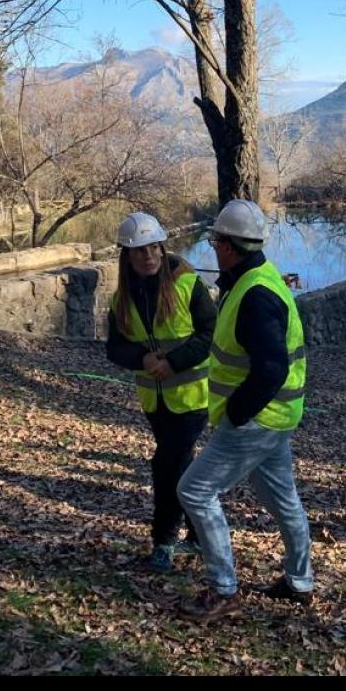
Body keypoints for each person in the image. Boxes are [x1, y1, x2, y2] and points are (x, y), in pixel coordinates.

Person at [176, 200, 313, 621]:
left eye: (216, 240)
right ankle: (299, 582)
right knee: (283, 500)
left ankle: (224, 591)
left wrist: (237, 412)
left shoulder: (255, 294)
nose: (213, 247)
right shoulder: (257, 278)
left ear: (230, 246)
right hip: (276, 418)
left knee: (195, 491)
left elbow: (271, 367)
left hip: (257, 420)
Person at [106, 212, 216, 573]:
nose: (148, 256)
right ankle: (201, 533)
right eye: (139, 251)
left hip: (193, 396)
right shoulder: (121, 297)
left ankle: (163, 541)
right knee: (181, 466)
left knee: (166, 465)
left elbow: (210, 334)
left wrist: (175, 361)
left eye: (153, 248)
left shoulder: (187, 283)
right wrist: (141, 358)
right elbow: (114, 348)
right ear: (127, 256)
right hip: (154, 400)